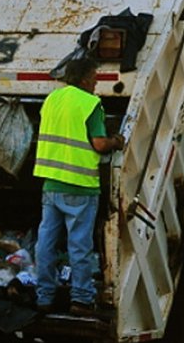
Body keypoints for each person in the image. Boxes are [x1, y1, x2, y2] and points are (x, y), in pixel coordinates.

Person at [34, 57, 124, 316]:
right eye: (95, 77)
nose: (97, 82)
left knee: (46, 242)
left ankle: (44, 297)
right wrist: (116, 141)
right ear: (85, 79)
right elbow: (99, 144)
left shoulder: (52, 99)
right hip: (80, 187)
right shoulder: (90, 104)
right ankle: (81, 299)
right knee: (79, 245)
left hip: (51, 183)